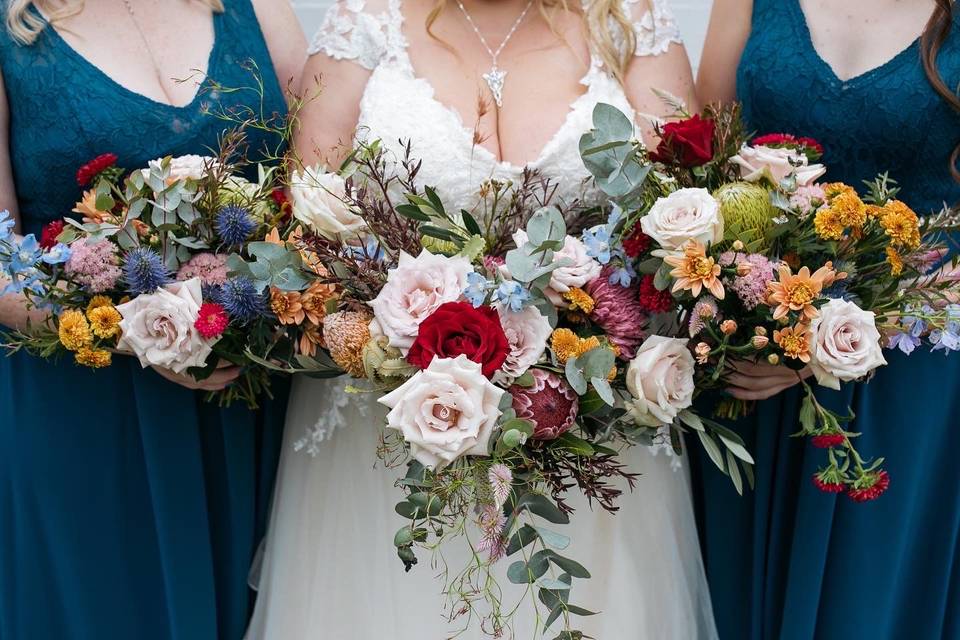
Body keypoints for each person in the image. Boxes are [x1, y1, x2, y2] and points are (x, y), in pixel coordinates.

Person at [246, 0, 719, 638]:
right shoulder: (366, 19)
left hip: (589, 428)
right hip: (393, 427)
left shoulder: (630, 19)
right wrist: (394, 334)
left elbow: (680, 220)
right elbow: (308, 214)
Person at [0, 1, 304, 638]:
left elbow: (324, 187)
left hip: (259, 396)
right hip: (91, 419)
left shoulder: (258, 8)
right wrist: (147, 330)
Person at [692, 1, 960, 638]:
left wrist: (836, 333)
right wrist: (748, 312)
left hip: (909, 369)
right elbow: (701, 159)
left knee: (864, 607)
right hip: (748, 362)